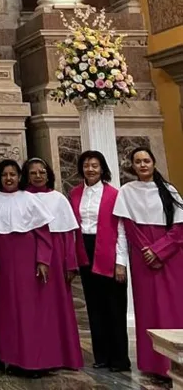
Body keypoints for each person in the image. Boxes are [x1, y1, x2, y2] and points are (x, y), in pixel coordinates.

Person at [0, 159, 59, 375]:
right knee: (7, 312)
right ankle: (11, 359)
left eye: (13, 175)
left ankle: (34, 360)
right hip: (2, 264)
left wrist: (42, 261)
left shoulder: (30, 199)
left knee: (30, 312)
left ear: (19, 177)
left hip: (27, 263)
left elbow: (43, 235)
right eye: (5, 175)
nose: (9, 179)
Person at [113, 146, 183, 378]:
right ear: (132, 166)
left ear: (153, 163)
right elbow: (128, 226)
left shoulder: (169, 191)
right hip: (142, 257)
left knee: (173, 307)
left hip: (170, 257)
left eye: (146, 161)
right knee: (148, 308)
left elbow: (178, 230)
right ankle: (154, 364)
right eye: (138, 161)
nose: (142, 165)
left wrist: (158, 250)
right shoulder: (127, 191)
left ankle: (176, 361)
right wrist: (146, 250)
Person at [68, 150, 130, 372]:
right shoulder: (74, 194)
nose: (90, 169)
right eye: (86, 165)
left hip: (109, 252)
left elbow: (121, 229)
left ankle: (119, 359)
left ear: (102, 168)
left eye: (94, 165)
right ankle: (101, 356)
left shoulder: (114, 194)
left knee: (114, 306)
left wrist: (121, 262)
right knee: (94, 306)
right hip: (85, 250)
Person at [21, 157, 83, 370]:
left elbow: (67, 234)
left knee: (58, 309)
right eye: (33, 173)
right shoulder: (22, 197)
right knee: (35, 309)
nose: (38, 176)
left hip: (56, 257)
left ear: (49, 175)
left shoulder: (58, 199)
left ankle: (62, 355)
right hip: (30, 257)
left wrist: (70, 264)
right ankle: (39, 354)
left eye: (42, 172)